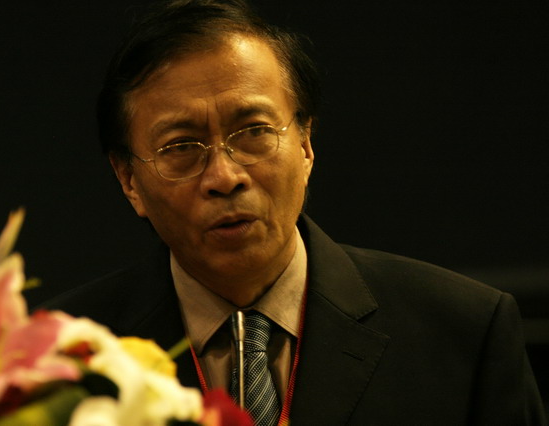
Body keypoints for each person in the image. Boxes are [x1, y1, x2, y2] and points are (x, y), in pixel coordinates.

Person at [45, 0, 546, 423]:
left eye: (254, 132)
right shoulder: (60, 358)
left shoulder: (463, 332)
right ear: (128, 180)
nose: (225, 176)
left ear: (305, 144)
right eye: (181, 146)